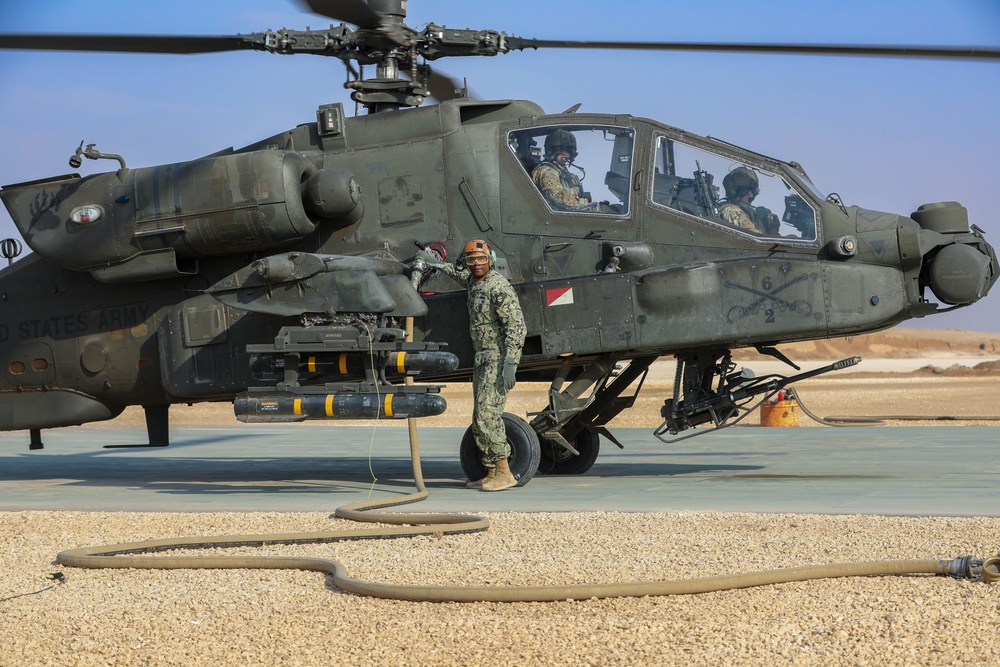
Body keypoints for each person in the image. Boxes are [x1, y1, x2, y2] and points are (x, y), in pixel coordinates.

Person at [416, 240, 526, 492]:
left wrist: (510, 362)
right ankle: (492, 471)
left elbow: (516, 327)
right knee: (479, 417)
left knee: (488, 415)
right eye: (470, 260)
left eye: (481, 259)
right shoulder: (476, 282)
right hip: (483, 358)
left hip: (497, 359)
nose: (476, 264)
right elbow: (461, 275)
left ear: (491, 259)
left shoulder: (498, 287)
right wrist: (439, 264)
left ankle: (505, 471)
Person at [531, 129, 607, 213]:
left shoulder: (564, 173)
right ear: (551, 150)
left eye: (567, 150)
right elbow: (557, 199)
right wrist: (589, 204)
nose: (564, 153)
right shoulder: (548, 172)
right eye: (559, 149)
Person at [718, 167, 779, 235]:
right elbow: (757, 239)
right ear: (735, 190)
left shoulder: (748, 212)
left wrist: (770, 227)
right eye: (746, 190)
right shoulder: (732, 211)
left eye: (752, 190)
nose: (750, 194)